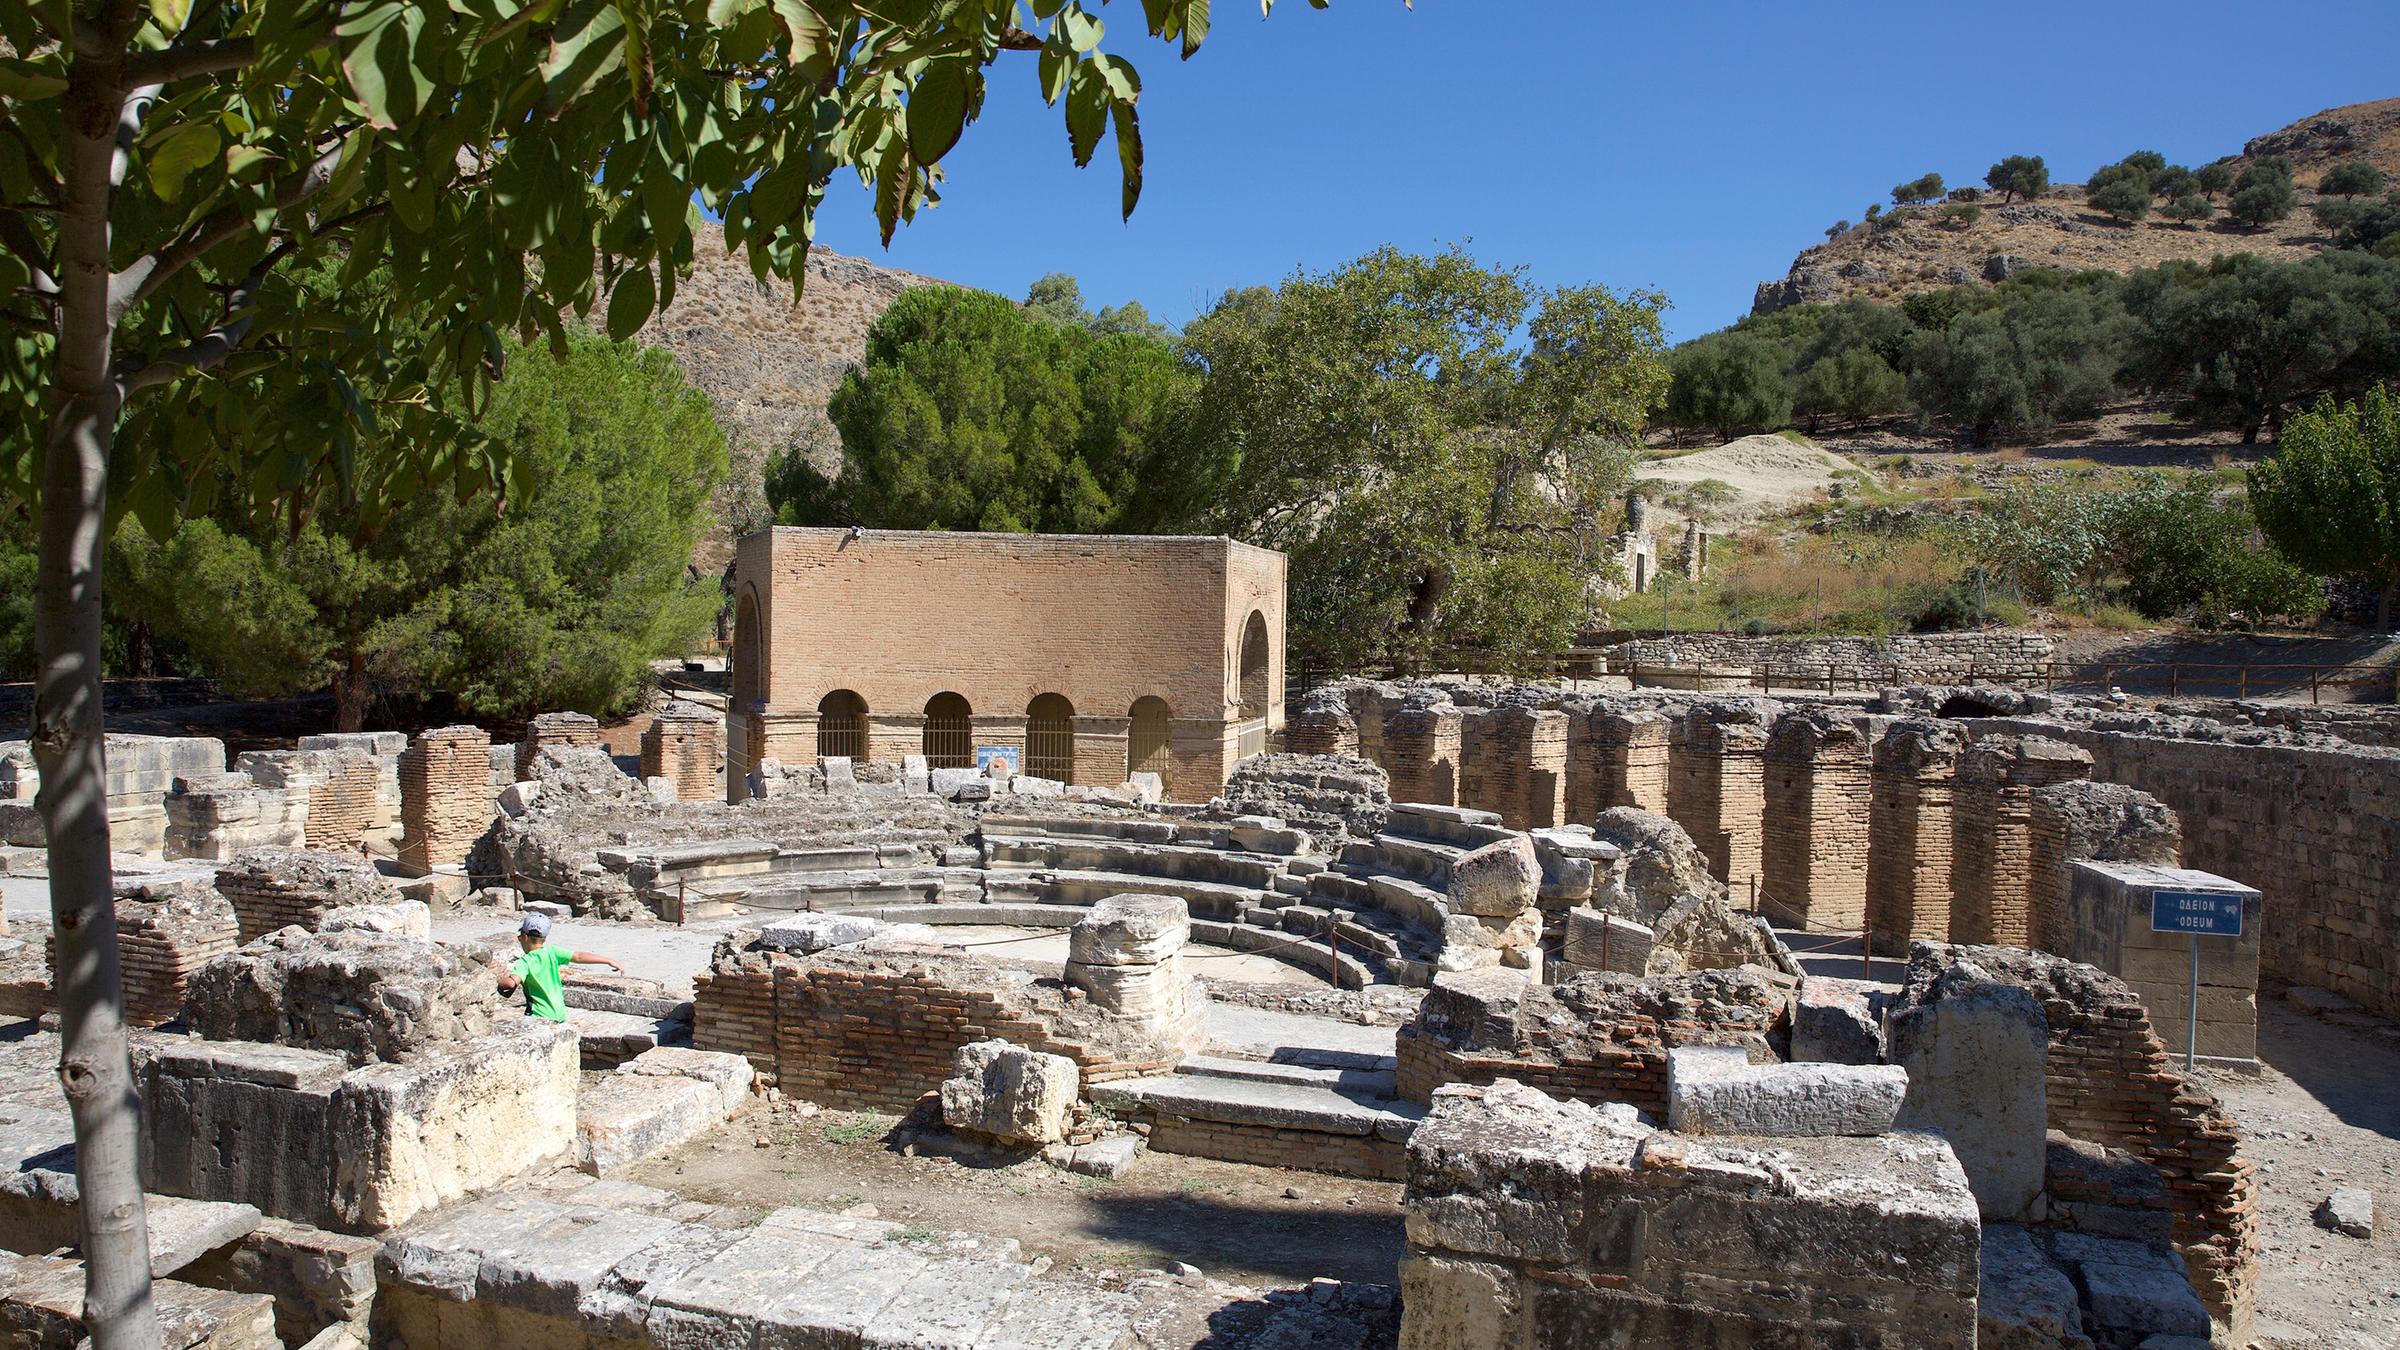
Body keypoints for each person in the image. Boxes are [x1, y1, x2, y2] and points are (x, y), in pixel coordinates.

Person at [495, 912, 624, 1021]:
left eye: (519, 937)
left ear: (525, 937)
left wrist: (497, 981)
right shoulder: (553, 952)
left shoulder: (525, 961)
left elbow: (512, 983)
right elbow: (579, 956)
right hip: (559, 1014)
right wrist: (608, 960)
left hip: (539, 1016)